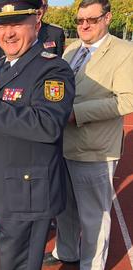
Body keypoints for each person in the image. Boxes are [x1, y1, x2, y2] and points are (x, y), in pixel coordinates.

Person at [0, 0, 75, 269]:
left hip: (26, 195)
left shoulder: (52, 68)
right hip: (5, 189)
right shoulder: (6, 63)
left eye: (17, 24)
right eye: (1, 25)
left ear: (37, 23)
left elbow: (48, 124)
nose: (8, 33)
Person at [43, 0, 133, 269]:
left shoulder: (124, 52)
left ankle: (91, 265)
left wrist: (76, 113)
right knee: (65, 208)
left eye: (91, 20)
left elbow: (127, 100)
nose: (83, 25)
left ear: (107, 18)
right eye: (79, 20)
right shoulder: (71, 50)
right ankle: (67, 251)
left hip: (95, 148)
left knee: (94, 215)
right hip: (64, 145)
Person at [0, 0, 65, 64]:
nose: (38, 9)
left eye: (42, 6)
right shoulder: (5, 35)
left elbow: (59, 60)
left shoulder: (56, 33)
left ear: (46, 8)